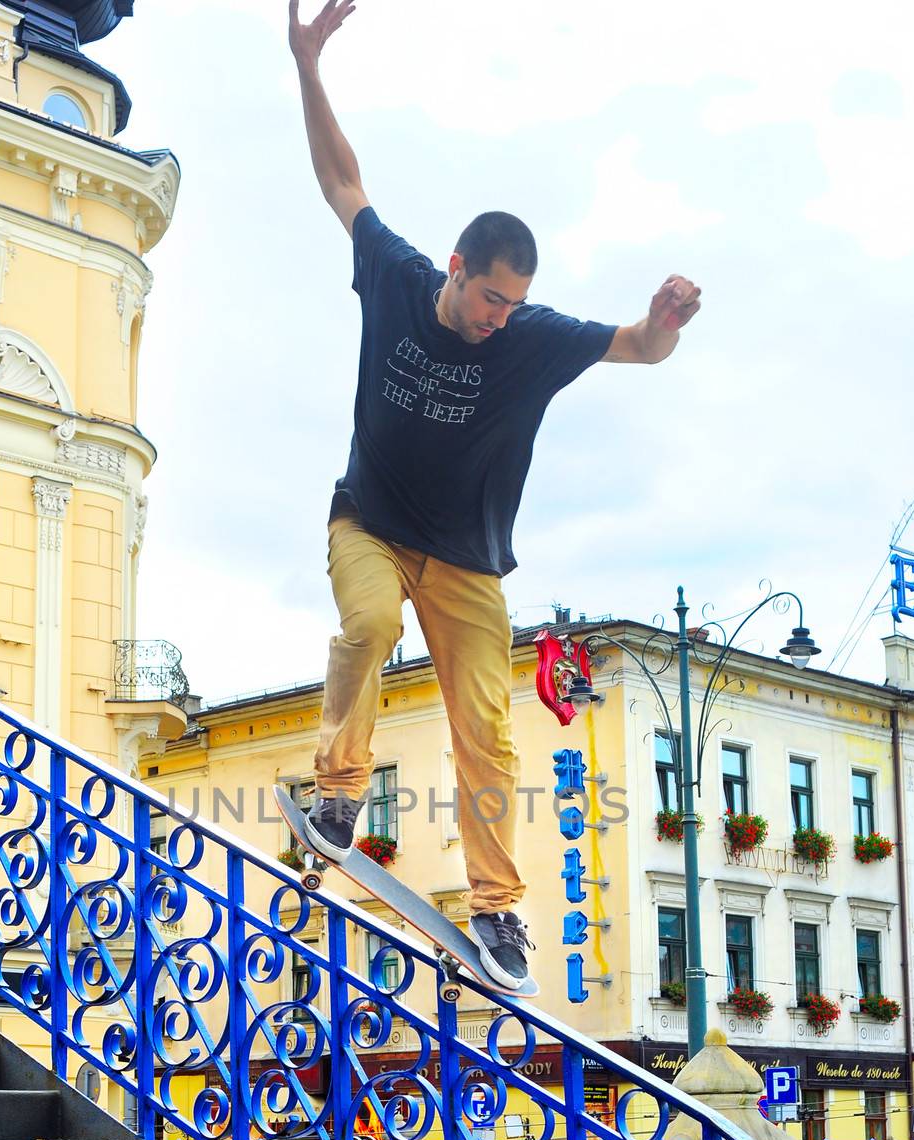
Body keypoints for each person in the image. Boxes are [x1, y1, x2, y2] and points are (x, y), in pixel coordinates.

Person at [288, 0, 701, 992]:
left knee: (488, 723)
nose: (497, 320)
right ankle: (337, 793)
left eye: (512, 305)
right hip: (371, 527)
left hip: (469, 559)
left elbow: (638, 348)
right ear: (457, 267)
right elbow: (343, 180)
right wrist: (309, 65)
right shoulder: (392, 274)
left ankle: (498, 913)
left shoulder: (531, 336)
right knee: (366, 624)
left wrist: (665, 320)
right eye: (487, 299)